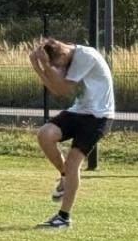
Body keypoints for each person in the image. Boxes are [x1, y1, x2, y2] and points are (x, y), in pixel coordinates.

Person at [29, 37, 116, 229]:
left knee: (73, 162)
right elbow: (55, 88)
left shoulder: (85, 56)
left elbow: (60, 88)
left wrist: (42, 65)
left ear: (63, 53)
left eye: (57, 64)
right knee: (45, 134)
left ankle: (63, 217)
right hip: (78, 111)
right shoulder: (66, 58)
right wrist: (39, 68)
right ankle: (64, 176)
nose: (57, 68)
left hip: (98, 116)